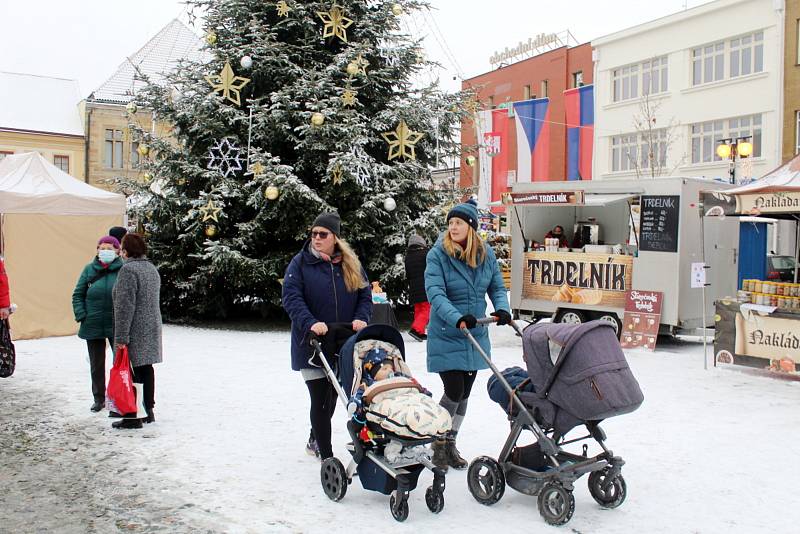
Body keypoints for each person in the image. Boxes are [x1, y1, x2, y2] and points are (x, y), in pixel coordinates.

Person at [425, 199, 512, 471]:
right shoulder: (438, 255)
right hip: (448, 332)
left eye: (458, 222)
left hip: (475, 334)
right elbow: (435, 293)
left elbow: (497, 287)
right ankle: (438, 443)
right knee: (454, 389)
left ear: (471, 228)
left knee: (464, 395)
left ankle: (451, 442)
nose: (453, 227)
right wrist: (456, 317)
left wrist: (502, 308)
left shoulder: (486, 255)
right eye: (450, 223)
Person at [282, 211, 372, 460]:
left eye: (323, 234)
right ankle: (327, 454)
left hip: (343, 340)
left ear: (335, 238)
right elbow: (291, 298)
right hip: (312, 343)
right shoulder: (300, 263)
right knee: (321, 399)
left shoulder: (350, 263)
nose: (317, 238)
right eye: (314, 234)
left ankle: (314, 437)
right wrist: (311, 323)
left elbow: (364, 295)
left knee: (333, 397)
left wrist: (362, 317)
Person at [111, 233, 163, 429]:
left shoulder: (128, 271)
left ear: (125, 251)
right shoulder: (151, 269)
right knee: (145, 368)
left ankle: (133, 415)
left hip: (134, 328)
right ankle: (148, 410)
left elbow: (125, 306)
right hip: (150, 326)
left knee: (130, 371)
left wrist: (122, 337)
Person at [72, 235, 124, 412]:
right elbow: (77, 294)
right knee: (96, 364)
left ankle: (118, 397)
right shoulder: (89, 269)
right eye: (102, 248)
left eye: (110, 248)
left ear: (118, 251)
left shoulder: (123, 269)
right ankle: (99, 398)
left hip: (116, 323)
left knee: (120, 363)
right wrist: (82, 315)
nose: (106, 251)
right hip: (93, 322)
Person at [404, 234, 430, 342]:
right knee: (427, 309)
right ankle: (416, 329)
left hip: (413, 286)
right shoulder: (425, 254)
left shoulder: (408, 256)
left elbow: (408, 273)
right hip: (424, 285)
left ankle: (420, 332)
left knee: (419, 309)